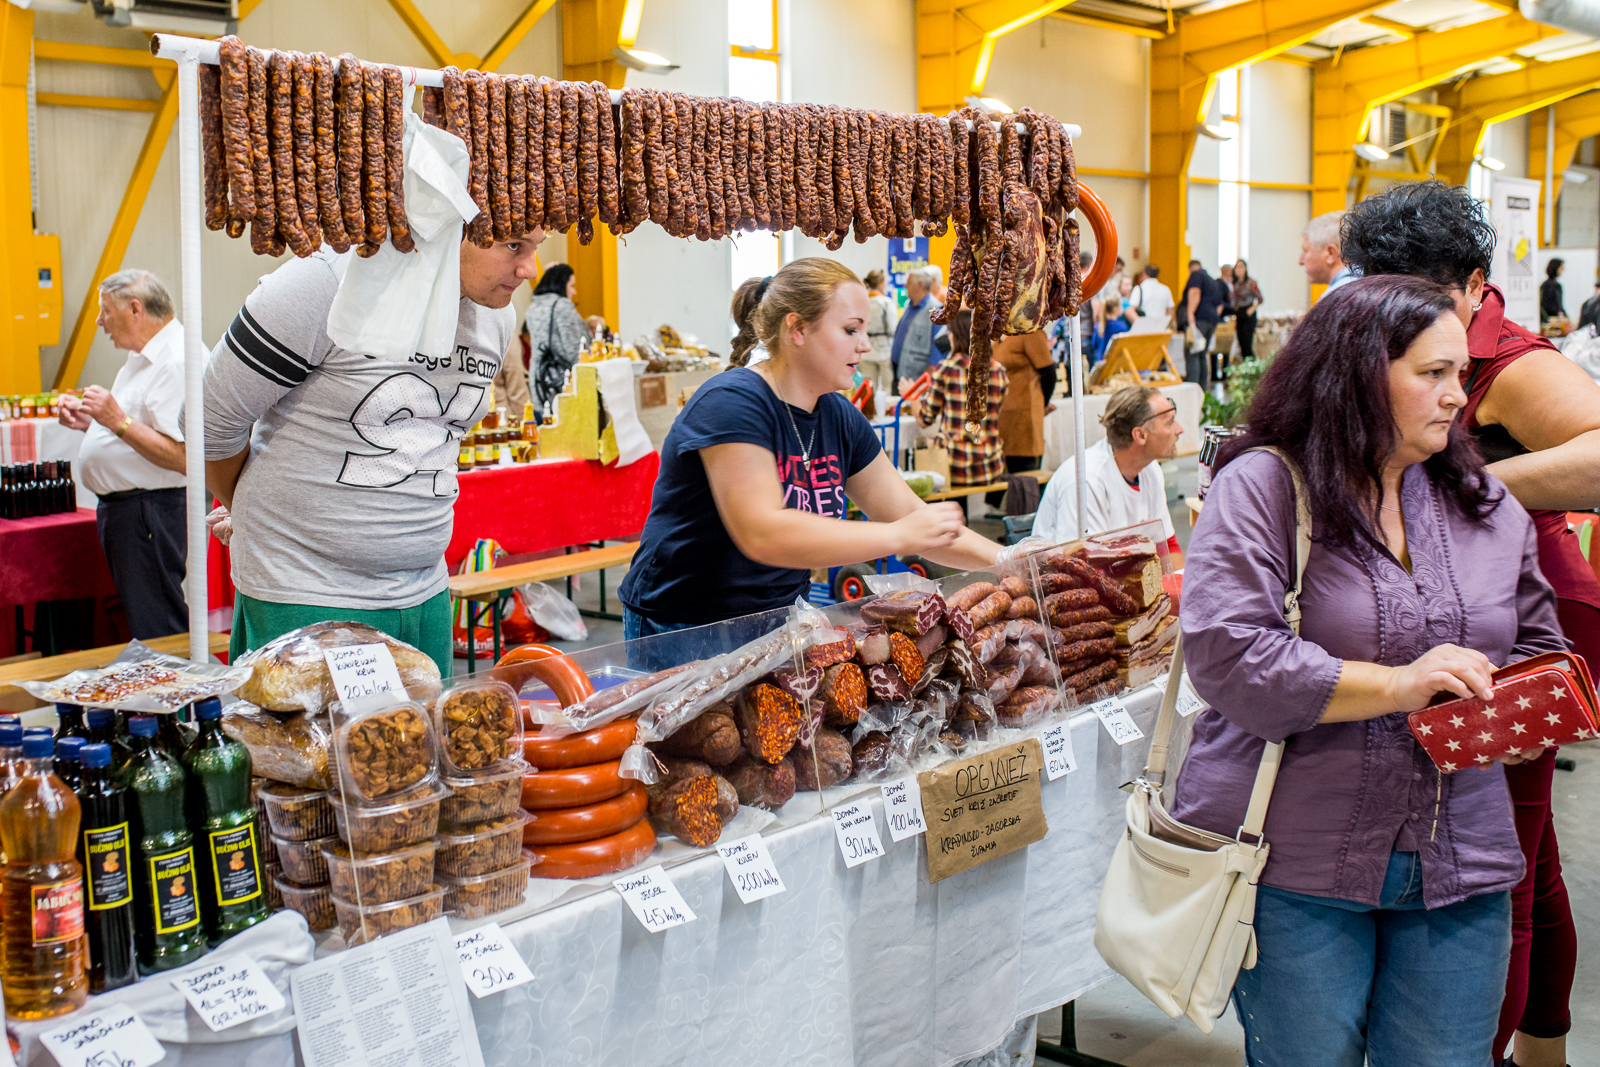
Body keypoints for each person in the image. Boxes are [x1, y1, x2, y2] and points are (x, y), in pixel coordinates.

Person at [1176, 274, 1565, 1066]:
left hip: (1461, 863)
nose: (1459, 396)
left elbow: (1536, 641)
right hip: (1295, 862)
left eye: (1461, 373)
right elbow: (1228, 652)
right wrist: (1396, 684)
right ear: (1356, 372)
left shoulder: (1484, 503)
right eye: (1432, 374)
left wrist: (1526, 712)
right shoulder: (1264, 488)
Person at [1342, 180, 1600, 1067]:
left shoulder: (1508, 363)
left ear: (1476, 283)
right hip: (1471, 616)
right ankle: (1545, 1049)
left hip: (1532, 627)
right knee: (1537, 851)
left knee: (1495, 872)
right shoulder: (1391, 342)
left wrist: (1474, 488)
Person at [204, 233, 540, 672]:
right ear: (445, 223)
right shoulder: (323, 284)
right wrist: (253, 512)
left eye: (537, 245)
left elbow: (436, 439)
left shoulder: (495, 315)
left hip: (425, 594)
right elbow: (209, 423)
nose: (529, 269)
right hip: (306, 595)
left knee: (421, 741)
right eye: (513, 245)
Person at [616, 259, 1000, 633]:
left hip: (779, 617)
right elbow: (763, 531)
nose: (865, 345)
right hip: (683, 625)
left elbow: (915, 519)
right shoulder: (731, 402)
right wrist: (900, 536)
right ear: (797, 328)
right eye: (851, 330)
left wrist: (1011, 561)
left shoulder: (839, 415)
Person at [58, 270, 187, 640]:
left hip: (150, 510)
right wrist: (93, 423)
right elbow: (133, 431)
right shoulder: (143, 359)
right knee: (143, 620)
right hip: (133, 510)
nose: (99, 321)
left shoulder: (174, 361)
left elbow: (183, 456)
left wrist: (114, 419)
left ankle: (177, 697)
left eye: (104, 311)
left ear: (135, 308)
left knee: (157, 624)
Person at [1033, 386, 1181, 556]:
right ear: (1140, 435)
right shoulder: (1085, 481)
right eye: (1170, 422)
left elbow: (1168, 548)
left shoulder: (1150, 469)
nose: (1179, 429)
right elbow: (1082, 566)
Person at [908, 309, 1007, 487]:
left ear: (957, 336)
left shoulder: (947, 368)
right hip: (990, 466)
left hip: (954, 467)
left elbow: (925, 419)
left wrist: (911, 396)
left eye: (951, 333)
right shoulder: (998, 371)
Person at [525, 262, 589, 421]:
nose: (574, 291)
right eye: (571, 285)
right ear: (562, 284)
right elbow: (574, 352)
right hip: (563, 386)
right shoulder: (562, 306)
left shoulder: (533, 307)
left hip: (540, 384)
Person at [994, 328, 1056, 480]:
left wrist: (1041, 405)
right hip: (1002, 422)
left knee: (1025, 482)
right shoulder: (997, 335)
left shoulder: (1030, 332)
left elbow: (1049, 374)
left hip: (1024, 423)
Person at [892, 267, 938, 391]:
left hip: (917, 380)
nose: (905, 286)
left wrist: (926, 380)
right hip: (900, 373)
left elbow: (938, 348)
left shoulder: (936, 310)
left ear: (920, 285)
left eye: (909, 283)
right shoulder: (909, 305)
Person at [1182, 259, 1223, 388]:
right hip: (1212, 320)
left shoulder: (1196, 275)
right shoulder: (1212, 281)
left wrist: (1190, 313)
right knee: (1202, 354)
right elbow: (1220, 304)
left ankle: (1192, 388)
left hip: (1199, 319)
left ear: (1190, 269)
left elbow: (1195, 293)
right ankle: (1203, 389)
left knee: (1192, 352)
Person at [862, 269, 897, 401]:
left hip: (866, 348)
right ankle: (885, 413)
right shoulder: (886, 302)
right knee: (887, 388)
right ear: (882, 283)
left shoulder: (862, 301)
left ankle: (869, 413)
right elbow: (892, 327)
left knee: (869, 387)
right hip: (884, 349)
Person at [1301, 210, 1354, 291]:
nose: (1300, 261)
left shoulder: (1339, 295)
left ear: (1331, 253)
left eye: (1306, 251)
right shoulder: (1370, 286)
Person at [492, 320, 531, 416]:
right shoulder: (503, 332)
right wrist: (526, 421)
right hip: (504, 415)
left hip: (474, 414)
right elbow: (516, 388)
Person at [1230, 258, 1264, 364]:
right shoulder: (1234, 283)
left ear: (1245, 269)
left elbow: (1260, 299)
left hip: (1248, 313)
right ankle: (1246, 369)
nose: (1239, 269)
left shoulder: (1250, 282)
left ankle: (1252, 369)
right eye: (1237, 267)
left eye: (1241, 267)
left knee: (1247, 345)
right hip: (1238, 313)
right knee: (1241, 344)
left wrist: (1251, 309)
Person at [1126, 264, 1174, 335]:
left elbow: (1131, 309)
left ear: (1143, 273)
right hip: (1161, 327)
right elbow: (1170, 311)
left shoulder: (1139, 289)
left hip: (1144, 328)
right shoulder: (1166, 289)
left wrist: (1139, 325)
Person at [1540, 258, 1565, 324]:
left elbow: (1559, 305)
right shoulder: (1548, 286)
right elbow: (1546, 305)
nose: (1563, 270)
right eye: (1561, 268)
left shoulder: (1557, 285)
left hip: (1555, 318)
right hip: (1549, 320)